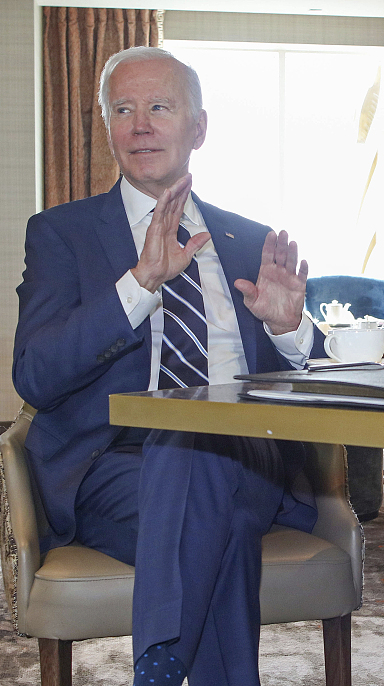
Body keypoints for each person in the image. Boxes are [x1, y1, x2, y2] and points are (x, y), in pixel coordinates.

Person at [13, 47, 325, 686]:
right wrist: (137, 286)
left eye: (159, 106)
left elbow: (323, 380)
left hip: (246, 461)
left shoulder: (249, 238)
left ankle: (159, 666)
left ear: (199, 128)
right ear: (107, 129)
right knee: (223, 525)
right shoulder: (61, 234)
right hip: (112, 473)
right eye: (122, 110)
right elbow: (35, 377)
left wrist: (289, 328)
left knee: (202, 447)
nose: (140, 125)